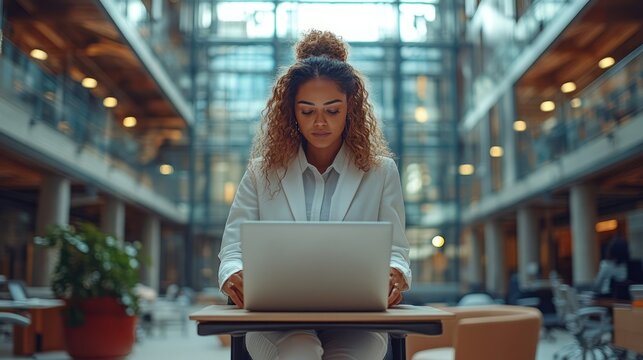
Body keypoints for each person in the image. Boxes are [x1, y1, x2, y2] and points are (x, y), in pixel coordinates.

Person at [217, 30, 411, 360]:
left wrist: (396, 273)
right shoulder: (261, 171)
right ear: (291, 112)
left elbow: (396, 250)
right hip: (274, 323)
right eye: (307, 111)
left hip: (357, 322)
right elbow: (233, 248)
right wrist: (232, 273)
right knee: (300, 350)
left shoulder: (381, 172)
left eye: (332, 111)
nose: (319, 122)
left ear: (351, 109)